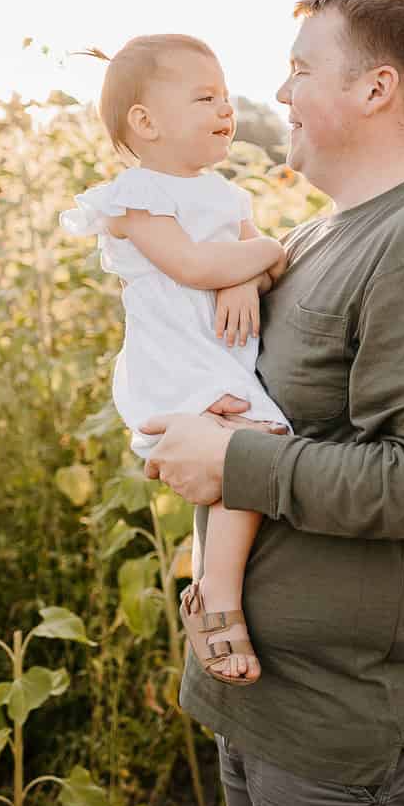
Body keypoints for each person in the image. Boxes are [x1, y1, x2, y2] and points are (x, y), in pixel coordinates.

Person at [140, 0, 404, 806]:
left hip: (353, 743)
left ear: (376, 88)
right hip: (262, 709)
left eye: (301, 70)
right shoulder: (313, 238)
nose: (278, 93)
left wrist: (232, 461)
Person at [58, 34, 290, 685]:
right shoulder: (137, 197)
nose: (226, 108)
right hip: (175, 360)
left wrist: (246, 278)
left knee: (247, 454)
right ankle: (217, 597)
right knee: (251, 449)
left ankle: (211, 589)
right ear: (146, 122)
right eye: (204, 97)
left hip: (219, 356)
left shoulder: (226, 195)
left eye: (226, 96)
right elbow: (191, 265)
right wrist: (258, 257)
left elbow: (257, 268)